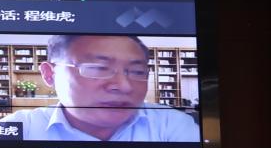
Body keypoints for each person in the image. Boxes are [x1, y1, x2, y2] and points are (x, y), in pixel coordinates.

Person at [11, 33, 201, 142]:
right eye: (98, 68)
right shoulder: (23, 127)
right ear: (49, 74)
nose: (124, 86)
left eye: (137, 71)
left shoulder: (172, 124)